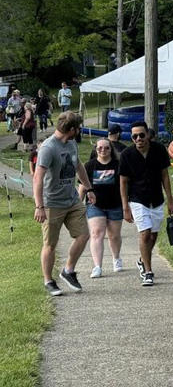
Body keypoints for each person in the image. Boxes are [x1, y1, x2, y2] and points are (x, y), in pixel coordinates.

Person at [33, 111, 95, 296]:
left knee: (83, 235)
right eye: (78, 128)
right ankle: (48, 281)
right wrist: (39, 206)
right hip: (52, 203)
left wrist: (88, 188)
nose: (79, 131)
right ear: (72, 129)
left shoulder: (72, 143)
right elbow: (38, 178)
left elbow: (78, 166)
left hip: (72, 199)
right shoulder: (48, 148)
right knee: (50, 244)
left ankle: (68, 271)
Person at [119, 121, 173, 287]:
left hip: (156, 198)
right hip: (137, 199)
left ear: (148, 135)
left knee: (153, 235)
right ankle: (148, 272)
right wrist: (125, 208)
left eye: (141, 135)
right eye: (134, 136)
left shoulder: (158, 150)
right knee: (145, 233)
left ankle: (142, 259)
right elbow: (123, 182)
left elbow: (165, 175)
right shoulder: (126, 155)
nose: (138, 139)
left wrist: (170, 199)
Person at [81, 139, 123, 278]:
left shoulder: (118, 165)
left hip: (115, 204)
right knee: (96, 233)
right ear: (96, 149)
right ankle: (97, 266)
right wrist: (78, 205)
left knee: (114, 235)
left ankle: (116, 258)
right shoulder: (89, 166)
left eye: (106, 148)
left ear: (111, 149)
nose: (103, 150)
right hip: (95, 205)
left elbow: (125, 185)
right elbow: (82, 186)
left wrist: (127, 203)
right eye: (100, 148)